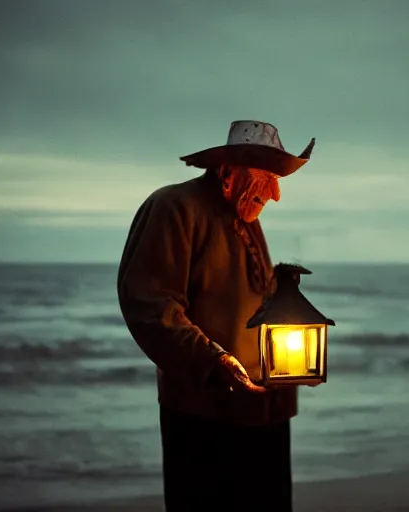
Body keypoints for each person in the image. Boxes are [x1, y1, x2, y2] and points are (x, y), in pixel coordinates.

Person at [117, 120, 316, 511]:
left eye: (277, 180)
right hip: (204, 416)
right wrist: (213, 360)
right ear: (227, 173)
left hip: (266, 413)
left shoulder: (246, 218)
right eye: (266, 178)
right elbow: (149, 302)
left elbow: (248, 296)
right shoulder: (174, 207)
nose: (275, 195)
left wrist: (284, 291)